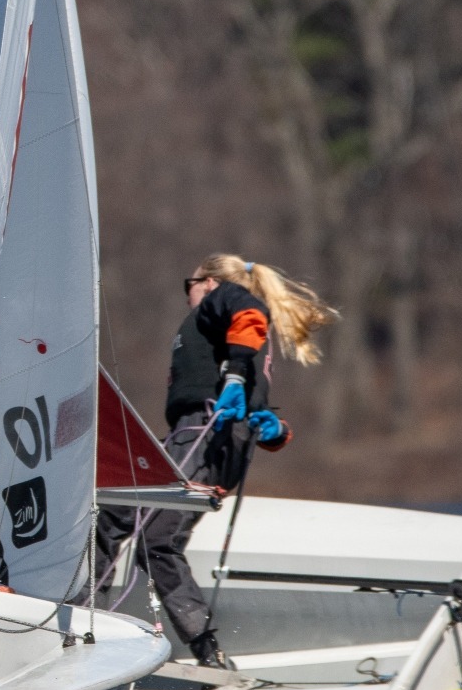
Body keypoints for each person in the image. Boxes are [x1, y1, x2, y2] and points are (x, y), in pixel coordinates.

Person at [95, 254, 336, 668]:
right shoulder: (230, 334)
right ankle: (82, 622)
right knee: (113, 512)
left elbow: (250, 313)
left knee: (156, 543)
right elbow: (259, 412)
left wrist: (237, 377)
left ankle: (208, 653)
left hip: (206, 435)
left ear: (207, 282)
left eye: (188, 283)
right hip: (196, 436)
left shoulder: (225, 299)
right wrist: (277, 430)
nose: (187, 292)